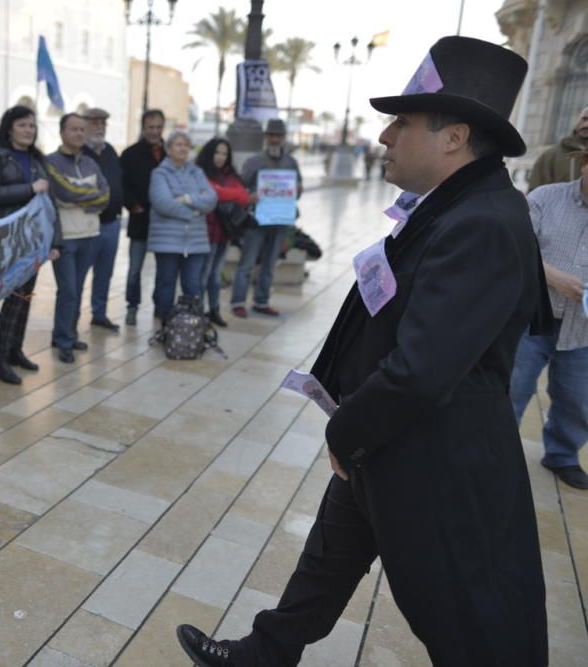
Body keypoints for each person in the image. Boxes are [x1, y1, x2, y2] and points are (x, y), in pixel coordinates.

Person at [177, 36, 552, 667]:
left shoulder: (482, 222)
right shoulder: (453, 207)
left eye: (401, 123)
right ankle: (264, 654)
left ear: (454, 137)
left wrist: (345, 432)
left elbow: (420, 372)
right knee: (328, 558)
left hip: (434, 460)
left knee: (467, 617)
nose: (384, 137)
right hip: (386, 440)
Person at [510, 148, 588, 490]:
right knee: (512, 387)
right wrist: (556, 278)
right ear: (585, 163)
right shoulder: (545, 198)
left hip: (583, 330)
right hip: (532, 317)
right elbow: (514, 247)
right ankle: (496, 451)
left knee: (578, 398)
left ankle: (562, 456)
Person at [0, 105, 62, 384]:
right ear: (9, 128)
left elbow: (49, 203)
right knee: (14, 297)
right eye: (22, 125)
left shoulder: (37, 158)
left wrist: (56, 241)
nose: (29, 130)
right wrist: (29, 188)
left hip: (34, 239)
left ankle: (15, 350)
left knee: (26, 297)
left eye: (32, 125)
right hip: (9, 237)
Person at [45, 113, 109, 363]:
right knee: (68, 290)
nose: (80, 134)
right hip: (66, 237)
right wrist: (86, 196)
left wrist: (78, 200)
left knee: (78, 288)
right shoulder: (50, 162)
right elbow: (64, 192)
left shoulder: (92, 164)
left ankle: (68, 334)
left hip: (90, 234)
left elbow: (105, 195)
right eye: (74, 129)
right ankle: (62, 341)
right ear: (62, 133)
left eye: (82, 130)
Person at [231, 118, 303, 318]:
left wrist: (297, 189)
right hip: (257, 221)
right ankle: (238, 301)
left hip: (280, 221)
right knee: (247, 263)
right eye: (271, 135)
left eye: (278, 135)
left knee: (270, 264)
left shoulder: (291, 162)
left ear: (283, 138)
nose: (274, 139)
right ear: (266, 137)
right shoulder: (254, 161)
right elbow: (240, 187)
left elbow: (298, 189)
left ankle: (261, 302)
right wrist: (249, 197)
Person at [147, 131, 217, 323]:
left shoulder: (197, 172)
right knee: (166, 284)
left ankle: (194, 325)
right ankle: (164, 323)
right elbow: (163, 203)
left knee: (193, 284)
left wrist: (187, 199)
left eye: (186, 145)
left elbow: (211, 199)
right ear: (168, 149)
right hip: (167, 241)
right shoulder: (159, 174)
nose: (183, 148)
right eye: (178, 145)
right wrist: (194, 212)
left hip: (195, 242)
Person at [196, 137, 255, 327]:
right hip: (206, 232)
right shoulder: (200, 173)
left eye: (224, 154)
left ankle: (213, 309)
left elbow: (242, 198)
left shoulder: (231, 175)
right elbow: (215, 193)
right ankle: (197, 310)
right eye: (217, 152)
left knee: (216, 274)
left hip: (226, 232)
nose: (220, 157)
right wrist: (236, 194)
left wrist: (233, 193)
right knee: (203, 274)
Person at [120, 109, 166, 325]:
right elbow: (123, 184)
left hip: (165, 224)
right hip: (140, 220)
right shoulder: (130, 154)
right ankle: (132, 306)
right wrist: (133, 206)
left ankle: (160, 305)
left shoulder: (170, 153)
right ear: (143, 127)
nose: (155, 131)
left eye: (158, 127)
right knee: (135, 269)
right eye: (151, 127)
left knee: (163, 269)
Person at [83, 107, 124, 332]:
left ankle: (99, 313)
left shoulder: (109, 151)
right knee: (79, 275)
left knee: (105, 273)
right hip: (89, 223)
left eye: (103, 123)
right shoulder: (81, 152)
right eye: (95, 123)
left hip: (112, 223)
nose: (99, 127)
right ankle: (69, 321)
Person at [527, 105, 588, 192]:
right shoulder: (550, 156)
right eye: (584, 119)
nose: (586, 124)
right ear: (577, 120)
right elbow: (534, 195)